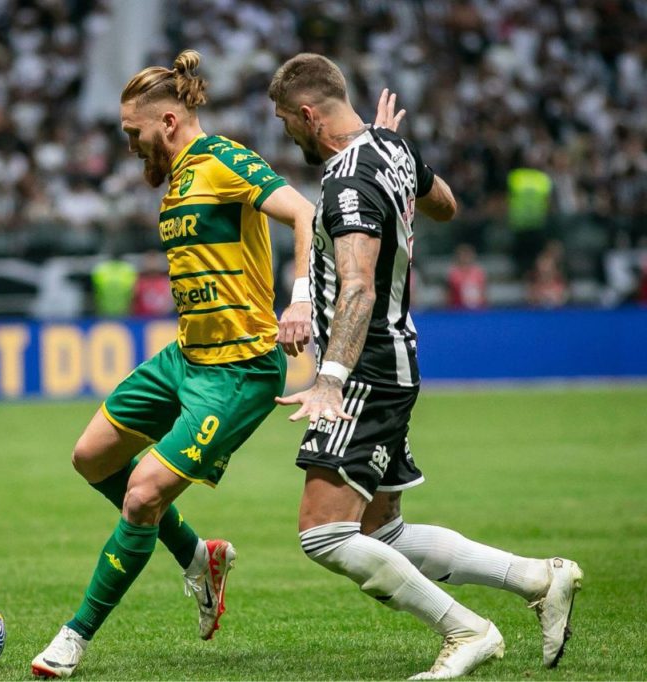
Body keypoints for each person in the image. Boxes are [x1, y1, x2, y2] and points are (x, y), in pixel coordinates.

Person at [268, 54, 583, 679]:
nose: (287, 135)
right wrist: (396, 150)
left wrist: (329, 379)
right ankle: (537, 579)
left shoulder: (345, 181)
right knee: (380, 531)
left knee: (323, 533)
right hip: (397, 354)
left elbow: (357, 287)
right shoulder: (390, 150)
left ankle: (466, 631)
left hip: (365, 369)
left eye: (286, 123)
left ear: (308, 114)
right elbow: (446, 206)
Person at [30, 49, 323, 679]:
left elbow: (304, 212)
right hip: (185, 357)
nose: (130, 145)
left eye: (133, 133)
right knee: (92, 458)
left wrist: (299, 302)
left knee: (140, 497)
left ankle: (73, 639)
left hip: (241, 369)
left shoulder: (222, 159)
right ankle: (199, 557)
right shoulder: (177, 178)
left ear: (167, 122)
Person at [445, 244, 487, 310]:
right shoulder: (453, 273)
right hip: (458, 309)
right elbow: (447, 294)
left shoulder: (478, 272)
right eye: (463, 255)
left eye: (467, 255)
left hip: (477, 309)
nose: (465, 258)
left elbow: (483, 292)